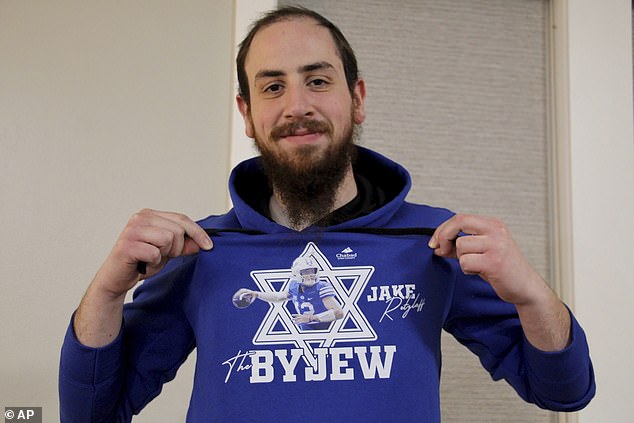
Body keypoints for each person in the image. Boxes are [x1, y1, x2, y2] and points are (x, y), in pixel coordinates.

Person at [59, 6, 595, 422]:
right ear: (247, 113)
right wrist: (105, 292)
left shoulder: (435, 242)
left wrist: (531, 292)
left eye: (318, 80)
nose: (297, 106)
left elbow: (563, 392)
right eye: (273, 86)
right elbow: (92, 413)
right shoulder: (201, 250)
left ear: (356, 98)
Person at [234, 255, 344, 330]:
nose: (310, 274)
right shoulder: (294, 285)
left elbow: (338, 313)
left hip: (326, 330)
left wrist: (311, 318)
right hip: (305, 330)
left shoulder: (322, 287)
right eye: (306, 271)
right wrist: (257, 294)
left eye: (312, 270)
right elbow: (279, 297)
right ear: (297, 273)